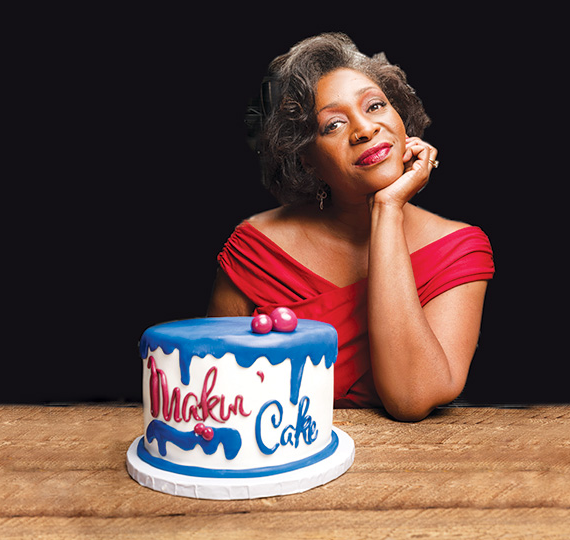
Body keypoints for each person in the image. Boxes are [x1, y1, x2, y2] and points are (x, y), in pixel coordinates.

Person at [208, 33, 494, 421]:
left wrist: (388, 209)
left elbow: (411, 397)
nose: (364, 129)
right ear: (307, 159)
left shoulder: (460, 250)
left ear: (400, 119)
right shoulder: (255, 250)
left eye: (375, 106)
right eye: (333, 125)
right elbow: (214, 391)